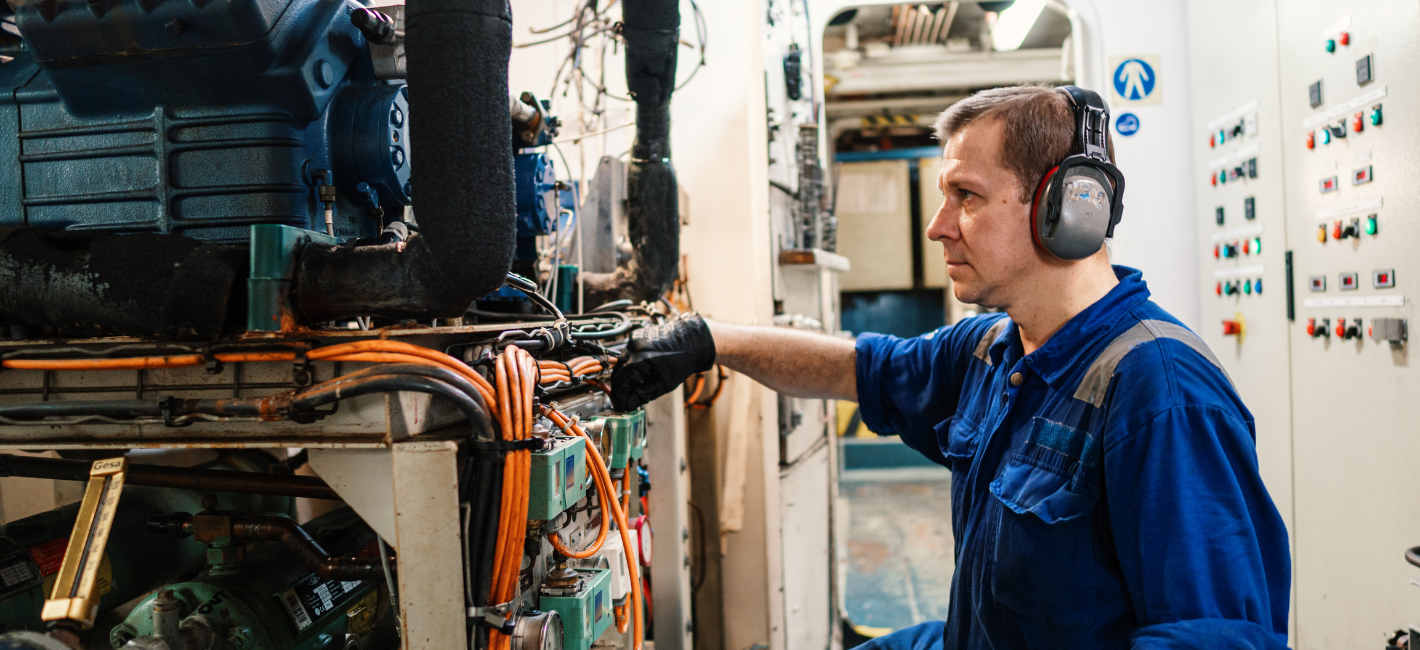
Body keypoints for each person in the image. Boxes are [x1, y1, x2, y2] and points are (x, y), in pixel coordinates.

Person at [608, 85, 1290, 649]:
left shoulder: (1157, 390)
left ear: (1069, 209)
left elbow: (1215, 638)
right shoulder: (995, 349)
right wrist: (709, 340)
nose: (938, 226)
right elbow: (857, 368)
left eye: (965, 196)